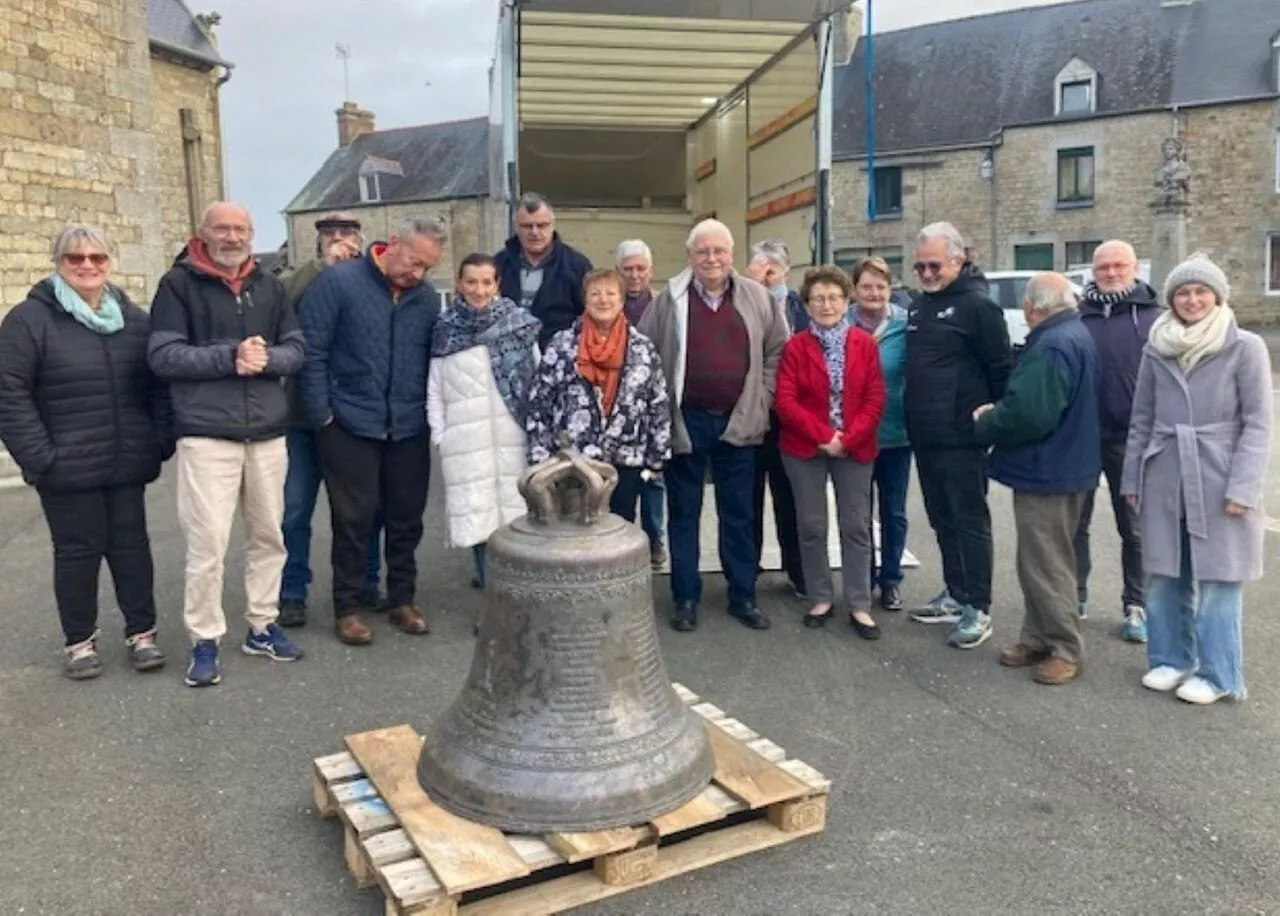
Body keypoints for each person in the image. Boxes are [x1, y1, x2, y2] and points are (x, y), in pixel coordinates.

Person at [0, 225, 173, 679]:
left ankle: (142, 634)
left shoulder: (133, 320)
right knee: (77, 553)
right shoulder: (28, 321)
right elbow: (9, 393)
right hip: (66, 467)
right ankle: (79, 642)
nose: (87, 266)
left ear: (108, 262)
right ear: (59, 263)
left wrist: (158, 440)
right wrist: (40, 458)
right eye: (75, 258)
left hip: (126, 460)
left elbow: (158, 388)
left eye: (97, 257)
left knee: (132, 548)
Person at [149, 202, 307, 687]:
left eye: (241, 228)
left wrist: (269, 358)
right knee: (208, 545)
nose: (232, 237)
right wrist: (229, 358)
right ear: (203, 232)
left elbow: (297, 348)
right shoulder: (178, 285)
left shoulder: (270, 286)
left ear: (251, 233)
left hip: (265, 433)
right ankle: (205, 638)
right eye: (223, 228)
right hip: (206, 434)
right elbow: (162, 355)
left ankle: (262, 625)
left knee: (268, 538)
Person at [1122, 253, 1272, 706]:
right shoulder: (1156, 346)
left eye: (1200, 291)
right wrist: (1133, 477)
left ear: (1217, 296)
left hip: (1219, 472)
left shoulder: (1245, 346)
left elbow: (1259, 423)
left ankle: (1219, 673)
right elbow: (1141, 418)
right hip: (1165, 469)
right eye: (1183, 292)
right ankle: (1170, 658)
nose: (1192, 300)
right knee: (1166, 573)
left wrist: (1243, 487)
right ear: (1171, 299)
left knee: (1219, 580)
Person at [298, 217, 446, 646]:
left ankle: (402, 598)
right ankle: (347, 607)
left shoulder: (426, 299)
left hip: (407, 424)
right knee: (352, 519)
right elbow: (313, 351)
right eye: (414, 262)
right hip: (348, 421)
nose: (417, 274)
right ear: (393, 243)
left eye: (427, 268)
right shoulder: (339, 283)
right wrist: (321, 414)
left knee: (405, 516)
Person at [638, 219, 789, 633]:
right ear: (690, 256)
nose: (712, 259)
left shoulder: (758, 298)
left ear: (732, 254)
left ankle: (743, 595)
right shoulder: (668, 301)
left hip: (739, 421)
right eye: (703, 251)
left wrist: (764, 397)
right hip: (685, 421)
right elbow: (645, 354)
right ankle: (685, 597)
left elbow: (778, 350)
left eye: (719, 250)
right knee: (684, 513)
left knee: (738, 513)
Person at [972, 274, 1100, 686]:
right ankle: (1038, 636)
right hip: (1062, 465)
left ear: (1032, 306)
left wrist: (987, 420)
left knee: (1046, 562)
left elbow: (1030, 414)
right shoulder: (1071, 334)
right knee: (1039, 560)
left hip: (1049, 469)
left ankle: (1064, 647)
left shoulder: (1053, 343)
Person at [904, 222, 1012, 650]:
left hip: (961, 438)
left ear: (958, 260)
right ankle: (955, 592)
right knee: (940, 518)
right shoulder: (919, 306)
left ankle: (978, 607)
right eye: (920, 266)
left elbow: (1000, 370)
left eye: (934, 266)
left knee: (970, 521)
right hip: (925, 436)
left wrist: (989, 425)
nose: (927, 274)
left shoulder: (979, 307)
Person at [277, 211, 386, 628]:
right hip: (302, 418)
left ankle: (365, 583)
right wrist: (323, 267)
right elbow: (283, 304)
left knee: (362, 509)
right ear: (318, 240)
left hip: (353, 416)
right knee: (295, 509)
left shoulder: (371, 280)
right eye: (330, 234)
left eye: (347, 233)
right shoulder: (297, 275)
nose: (339, 240)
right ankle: (291, 592)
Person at [774, 266, 885, 638]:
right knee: (812, 525)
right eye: (818, 298)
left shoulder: (865, 344)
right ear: (806, 305)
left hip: (855, 446)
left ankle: (859, 604)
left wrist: (847, 439)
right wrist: (824, 435)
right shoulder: (795, 347)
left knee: (856, 527)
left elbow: (874, 398)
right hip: (805, 447)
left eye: (834, 297)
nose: (826, 304)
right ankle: (820, 595)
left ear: (846, 301)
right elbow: (786, 402)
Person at [428, 253, 540, 592]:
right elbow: (434, 390)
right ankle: (494, 605)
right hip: (466, 446)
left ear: (497, 284)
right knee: (479, 522)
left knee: (518, 520)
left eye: (486, 282)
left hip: (514, 439)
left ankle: (519, 595)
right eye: (471, 282)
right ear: (460, 285)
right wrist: (441, 436)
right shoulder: (446, 331)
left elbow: (539, 382)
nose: (479, 290)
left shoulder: (518, 325)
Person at [526, 268, 670, 521]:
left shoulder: (642, 348)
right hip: (573, 460)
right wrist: (540, 454)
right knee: (574, 531)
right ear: (585, 300)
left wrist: (656, 457)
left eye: (610, 293)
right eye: (595, 293)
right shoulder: (562, 345)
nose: (603, 300)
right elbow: (540, 402)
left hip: (626, 460)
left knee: (619, 532)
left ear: (622, 300)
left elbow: (657, 403)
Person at [1073, 239, 1160, 642]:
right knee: (1076, 524)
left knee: (1135, 528)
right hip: (1082, 436)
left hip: (1131, 437)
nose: (1110, 273)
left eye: (1118, 266)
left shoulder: (1154, 317)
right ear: (1093, 271)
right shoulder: (1078, 314)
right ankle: (1075, 597)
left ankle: (1136, 605)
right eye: (1103, 267)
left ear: (1134, 268)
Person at [744, 239, 806, 599]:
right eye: (760, 267)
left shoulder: (801, 306)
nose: (767, 275)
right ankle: (747, 569)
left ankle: (797, 571)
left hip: (791, 418)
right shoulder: (743, 301)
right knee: (746, 498)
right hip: (753, 412)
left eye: (773, 269)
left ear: (785, 271)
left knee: (791, 498)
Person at [850, 257, 910, 612]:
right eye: (867, 287)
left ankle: (890, 579)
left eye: (881, 287)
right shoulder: (840, 322)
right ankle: (863, 576)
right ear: (854, 290)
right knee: (858, 513)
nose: (874, 294)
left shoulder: (906, 325)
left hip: (895, 434)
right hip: (855, 436)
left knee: (893, 511)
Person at [617, 238, 667, 568]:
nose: (635, 276)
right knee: (620, 483)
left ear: (651, 271)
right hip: (617, 411)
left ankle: (654, 541)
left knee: (653, 478)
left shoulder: (665, 307)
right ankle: (622, 541)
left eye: (640, 269)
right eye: (628, 269)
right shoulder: (609, 305)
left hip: (653, 406)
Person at [494, 193, 592, 349]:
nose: (534, 232)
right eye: (527, 226)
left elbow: (589, 316)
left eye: (541, 225)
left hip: (557, 358)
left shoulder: (576, 266)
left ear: (553, 225)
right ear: (516, 228)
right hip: (506, 358)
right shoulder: (498, 264)